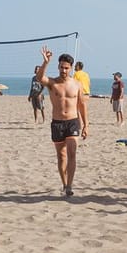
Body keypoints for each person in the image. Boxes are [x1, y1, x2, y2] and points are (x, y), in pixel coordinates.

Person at [37, 47, 88, 197]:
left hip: (72, 122)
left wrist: (86, 125)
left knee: (72, 153)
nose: (63, 70)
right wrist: (45, 62)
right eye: (61, 67)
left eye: (66, 68)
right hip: (57, 123)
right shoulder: (52, 83)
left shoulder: (77, 85)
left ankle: (70, 186)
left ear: (71, 68)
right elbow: (40, 78)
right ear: (58, 67)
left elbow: (82, 105)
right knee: (61, 156)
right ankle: (64, 183)